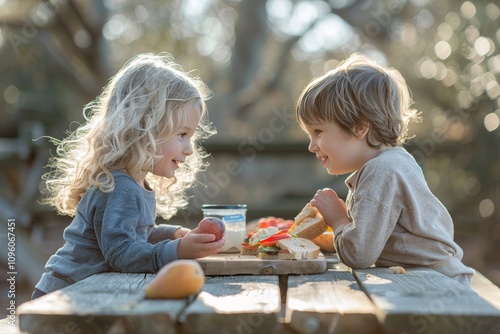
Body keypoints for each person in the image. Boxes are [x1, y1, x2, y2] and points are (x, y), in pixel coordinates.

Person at [32, 53, 225, 299]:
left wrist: (173, 234)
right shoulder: (118, 187)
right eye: (182, 134)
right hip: (59, 302)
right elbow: (122, 253)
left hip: (86, 298)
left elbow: (138, 236)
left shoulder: (134, 182)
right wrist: (177, 250)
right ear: (145, 128)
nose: (189, 148)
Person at [295, 53, 474, 285]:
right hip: (431, 278)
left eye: (318, 131)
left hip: (435, 285)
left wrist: (338, 219)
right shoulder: (392, 162)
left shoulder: (380, 171)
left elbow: (358, 254)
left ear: (359, 128)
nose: (312, 146)